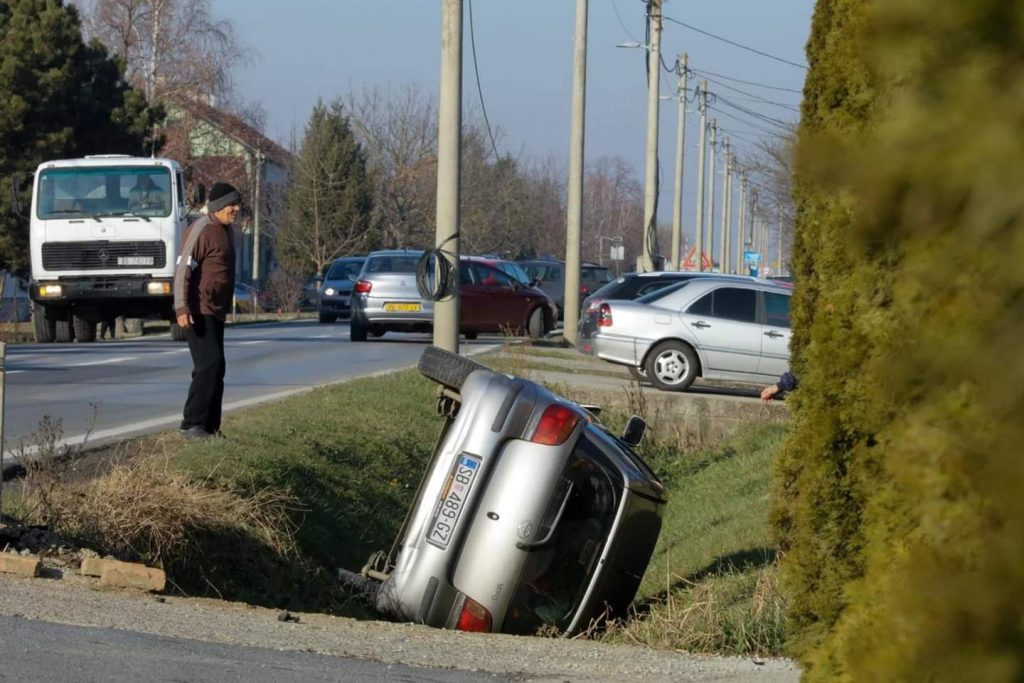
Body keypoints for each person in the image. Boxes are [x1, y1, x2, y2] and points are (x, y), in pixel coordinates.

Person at [173, 182, 241, 440]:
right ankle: (191, 424)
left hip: (215, 310)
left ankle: (211, 428)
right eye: (231, 205)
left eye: (237, 204)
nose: (236, 209)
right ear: (218, 206)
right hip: (198, 308)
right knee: (208, 364)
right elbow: (182, 270)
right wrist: (181, 306)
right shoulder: (200, 229)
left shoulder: (225, 230)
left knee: (217, 368)